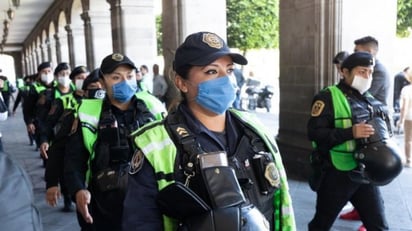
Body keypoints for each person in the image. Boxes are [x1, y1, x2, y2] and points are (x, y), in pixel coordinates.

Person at [122, 31, 296, 230]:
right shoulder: (155, 144)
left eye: (229, 70)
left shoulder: (254, 129)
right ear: (181, 83)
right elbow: (140, 222)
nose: (226, 80)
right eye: (212, 71)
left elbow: (281, 205)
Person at [64, 53, 166, 231]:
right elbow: (74, 159)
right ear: (102, 83)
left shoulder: (153, 107)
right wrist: (78, 190)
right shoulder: (88, 112)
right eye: (116, 77)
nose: (124, 82)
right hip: (105, 201)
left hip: (150, 198)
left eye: (129, 76)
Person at [307, 52, 402, 231]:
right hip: (337, 172)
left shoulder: (370, 100)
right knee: (321, 224)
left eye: (370, 72)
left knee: (379, 225)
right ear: (344, 71)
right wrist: (351, 132)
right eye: (362, 71)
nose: (367, 77)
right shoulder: (327, 97)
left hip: (365, 173)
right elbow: (315, 134)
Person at [42, 65, 90, 212]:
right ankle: (68, 197)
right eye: (79, 78)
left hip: (84, 144)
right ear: (74, 81)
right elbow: (49, 123)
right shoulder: (63, 101)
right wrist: (44, 139)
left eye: (85, 78)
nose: (83, 80)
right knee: (65, 169)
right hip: (63, 141)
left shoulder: (95, 99)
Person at [23, 62, 55, 152]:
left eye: (49, 71)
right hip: (41, 121)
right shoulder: (35, 88)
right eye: (44, 72)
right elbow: (27, 107)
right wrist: (29, 122)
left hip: (55, 120)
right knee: (45, 149)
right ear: (40, 74)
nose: (47, 74)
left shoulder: (58, 86)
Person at [354, 36, 390, 105]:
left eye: (357, 52)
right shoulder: (367, 67)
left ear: (369, 52)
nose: (354, 55)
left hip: (374, 113)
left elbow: (366, 95)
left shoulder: (379, 71)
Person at [397, 73, 412, 167]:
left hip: (409, 117)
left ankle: (409, 160)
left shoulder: (407, 89)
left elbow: (404, 106)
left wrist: (401, 120)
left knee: (408, 139)